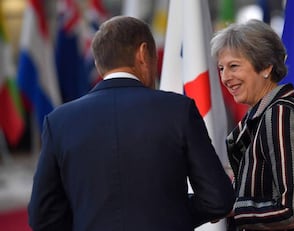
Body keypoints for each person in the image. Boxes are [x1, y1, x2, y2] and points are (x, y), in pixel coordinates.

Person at [28, 16, 235, 231]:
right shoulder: (178, 110)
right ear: (143, 53)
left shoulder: (59, 121)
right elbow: (218, 198)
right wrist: (172, 213)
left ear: (99, 64)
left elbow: (42, 216)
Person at [211, 19, 294, 231]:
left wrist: (231, 207)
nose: (225, 77)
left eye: (234, 66)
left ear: (266, 67)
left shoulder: (281, 114)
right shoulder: (262, 116)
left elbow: (293, 212)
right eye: (221, 68)